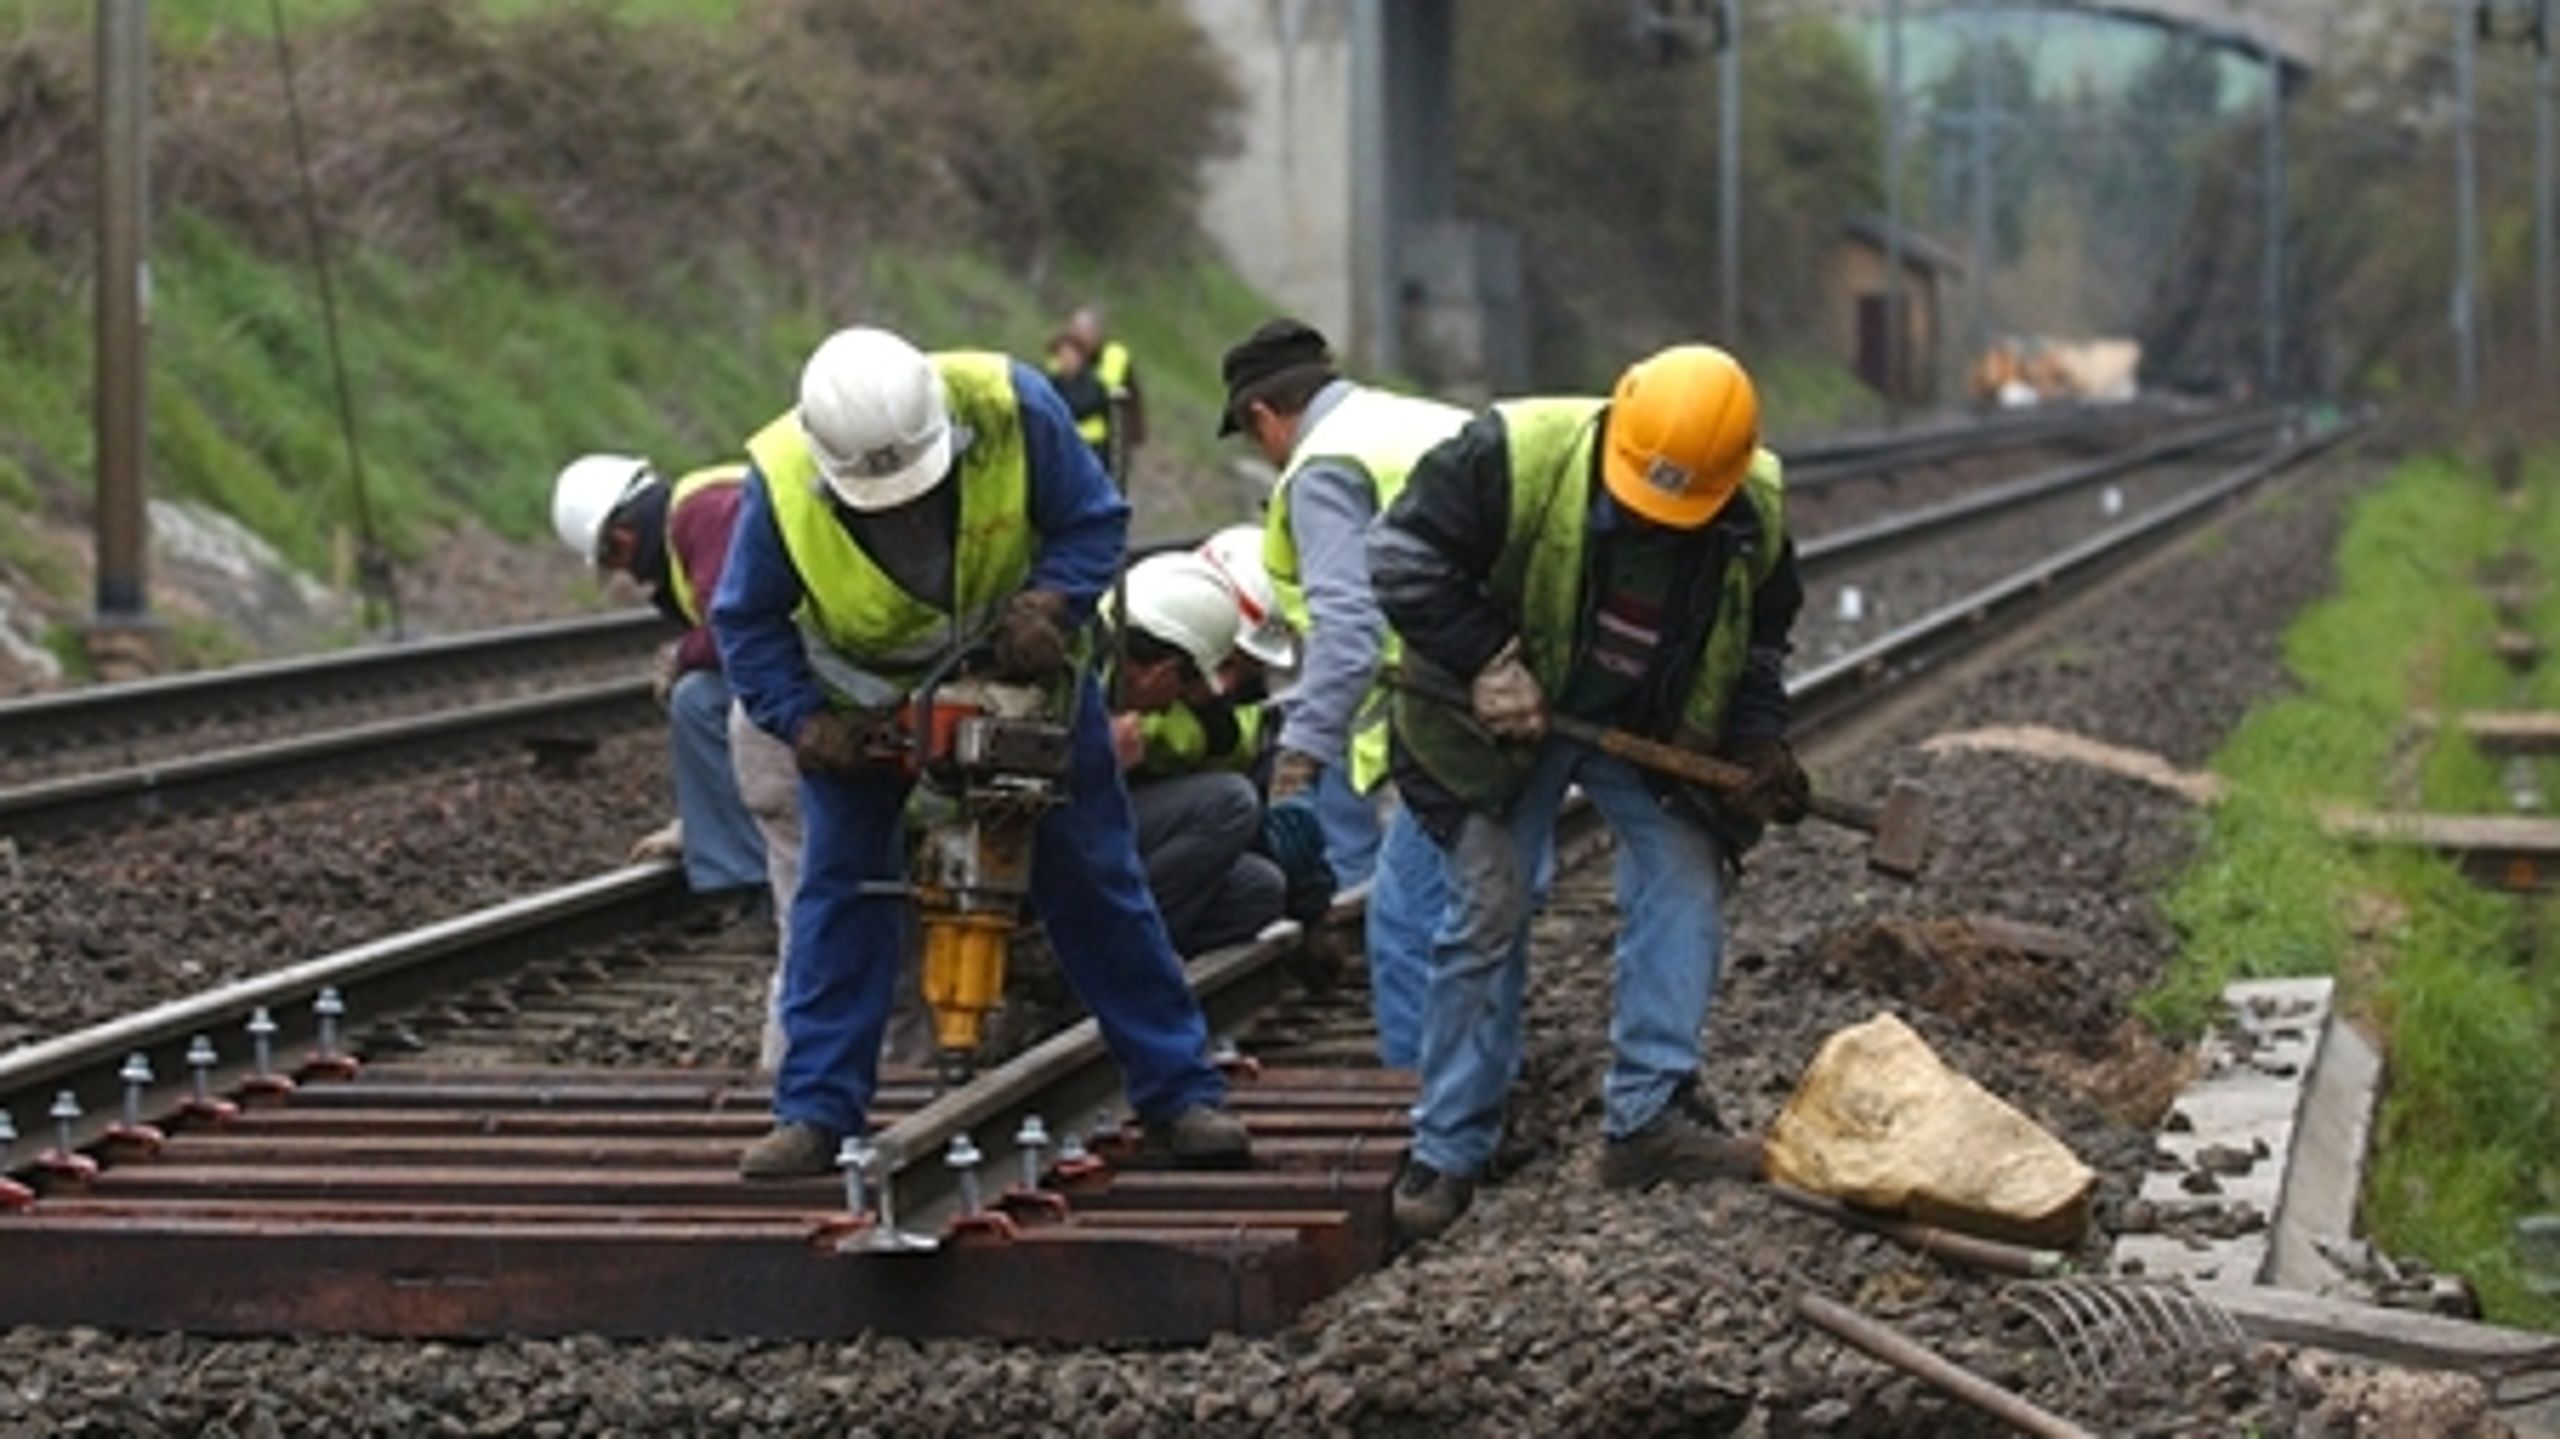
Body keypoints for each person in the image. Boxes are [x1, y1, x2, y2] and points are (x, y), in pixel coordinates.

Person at [711, 324, 1250, 1178]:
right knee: (841, 890)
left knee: (1096, 878)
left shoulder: (1012, 408)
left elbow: (1094, 520)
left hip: (1020, 684)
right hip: (869, 708)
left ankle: (1178, 1090)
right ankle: (814, 1111)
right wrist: (806, 723)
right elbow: (745, 620)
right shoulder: (782, 480)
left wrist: (1052, 602)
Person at [1367, 344, 1809, 1242]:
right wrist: (1487, 658)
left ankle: (1649, 1114)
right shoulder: (1511, 454)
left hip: (1647, 721)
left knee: (1686, 872)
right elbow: (1402, 553)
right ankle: (1449, 1145)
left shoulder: (1752, 509)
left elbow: (1761, 637)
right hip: (1497, 716)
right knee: (1489, 903)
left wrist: (1758, 734)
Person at [1218, 318, 1469, 1068]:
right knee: (1478, 906)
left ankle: (1433, 1113)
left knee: (1405, 920)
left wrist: (1300, 754)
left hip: (1452, 702)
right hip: (1511, 678)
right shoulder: (1420, 420)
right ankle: (1479, 1083)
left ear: (1264, 415)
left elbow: (1350, 630)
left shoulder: (1324, 467)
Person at [549, 455, 767, 915]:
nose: (627, 573)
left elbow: (737, 632)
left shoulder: (706, 517)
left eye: (614, 557)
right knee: (704, 694)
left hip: (823, 658)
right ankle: (723, 836)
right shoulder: (692, 522)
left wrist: (680, 656)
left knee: (698, 699)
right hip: (811, 653)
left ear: (624, 534)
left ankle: (751, 885)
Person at [1105, 551, 1287, 956]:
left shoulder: (1228, 717)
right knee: (1229, 802)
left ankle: (1118, 964)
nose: (1223, 687)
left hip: (1113, 825)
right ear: (1161, 671)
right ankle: (1116, 956)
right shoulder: (1084, 664)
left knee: (1258, 888)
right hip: (1058, 838)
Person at [1045, 306, 1144, 478]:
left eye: (1085, 331)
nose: (1080, 337)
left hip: (1113, 435)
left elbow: (1098, 395)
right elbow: (1053, 381)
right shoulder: (1065, 352)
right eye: (1075, 330)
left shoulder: (1113, 354)